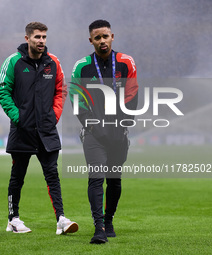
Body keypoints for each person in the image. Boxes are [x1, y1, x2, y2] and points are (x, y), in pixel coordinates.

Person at [0, 22, 78, 235]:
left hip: (47, 129)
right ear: (27, 39)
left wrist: (54, 116)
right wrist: (18, 117)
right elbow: (2, 91)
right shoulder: (13, 62)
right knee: (18, 176)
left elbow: (61, 90)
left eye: (44, 37)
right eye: (37, 37)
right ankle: (13, 219)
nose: (41, 41)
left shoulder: (53, 63)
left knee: (52, 174)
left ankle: (61, 219)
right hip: (22, 130)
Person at [70, 20, 138, 244]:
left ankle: (109, 220)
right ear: (91, 40)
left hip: (118, 133)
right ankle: (98, 227)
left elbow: (132, 92)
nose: (102, 41)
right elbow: (75, 97)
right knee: (96, 178)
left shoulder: (126, 63)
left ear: (112, 37)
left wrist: (125, 122)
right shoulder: (82, 66)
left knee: (115, 181)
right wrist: (89, 123)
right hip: (94, 135)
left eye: (105, 36)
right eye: (97, 38)